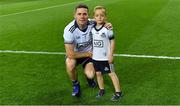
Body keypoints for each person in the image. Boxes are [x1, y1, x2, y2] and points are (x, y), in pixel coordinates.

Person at [63, 4, 97, 97]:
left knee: (90, 74)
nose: (82, 17)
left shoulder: (92, 23)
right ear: (74, 15)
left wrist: (107, 24)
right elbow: (70, 54)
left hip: (88, 54)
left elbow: (102, 21)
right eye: (79, 14)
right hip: (76, 54)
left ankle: (89, 79)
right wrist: (88, 54)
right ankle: (76, 84)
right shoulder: (69, 30)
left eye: (84, 14)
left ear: (88, 15)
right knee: (70, 64)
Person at [91, 6, 123, 101]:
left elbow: (112, 41)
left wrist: (111, 54)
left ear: (105, 17)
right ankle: (101, 89)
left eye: (102, 15)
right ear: (94, 17)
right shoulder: (92, 28)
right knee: (98, 74)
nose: (99, 17)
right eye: (97, 15)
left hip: (106, 58)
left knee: (111, 73)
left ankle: (118, 92)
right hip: (96, 57)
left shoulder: (107, 28)